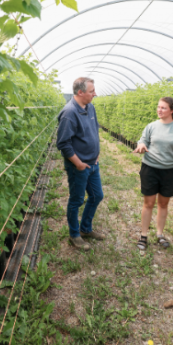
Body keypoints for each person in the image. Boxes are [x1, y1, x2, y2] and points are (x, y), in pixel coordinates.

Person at [133, 97, 173, 251]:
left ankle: (159, 234)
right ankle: (143, 235)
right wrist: (142, 145)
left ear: (172, 110)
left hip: (170, 171)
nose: (159, 110)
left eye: (163, 108)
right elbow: (142, 141)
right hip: (150, 169)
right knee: (149, 203)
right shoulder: (151, 126)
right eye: (158, 107)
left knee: (163, 203)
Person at [57, 77, 105, 251]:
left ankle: (85, 229)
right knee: (76, 200)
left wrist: (97, 153)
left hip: (93, 164)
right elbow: (63, 143)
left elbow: (94, 130)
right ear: (80, 92)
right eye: (92, 91)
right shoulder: (69, 113)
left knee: (97, 196)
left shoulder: (90, 107)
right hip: (79, 166)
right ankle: (74, 234)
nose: (95, 94)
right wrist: (77, 163)